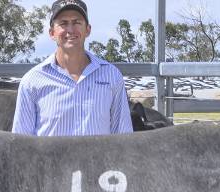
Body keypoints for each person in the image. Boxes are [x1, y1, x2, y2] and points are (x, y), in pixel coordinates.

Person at [11, 0, 132, 137]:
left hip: (98, 159)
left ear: (88, 30)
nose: (70, 30)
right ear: (52, 33)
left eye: (77, 22)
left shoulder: (111, 76)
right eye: (63, 23)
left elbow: (123, 135)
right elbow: (20, 143)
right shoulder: (32, 81)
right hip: (51, 159)